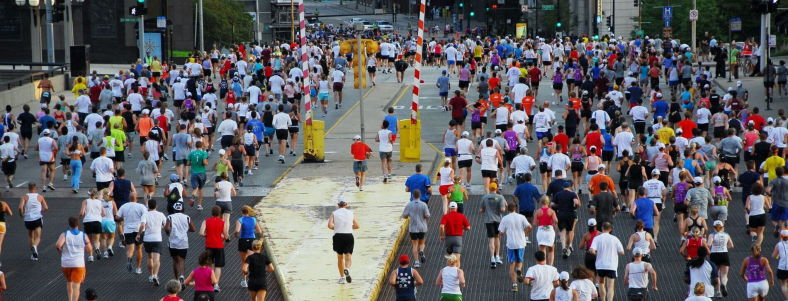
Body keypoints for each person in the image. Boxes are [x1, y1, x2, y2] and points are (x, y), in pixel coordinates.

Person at [56, 216, 92, 301]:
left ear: (69, 224)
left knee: (69, 281)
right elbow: (89, 249)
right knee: (76, 285)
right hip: (78, 263)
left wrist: (60, 252)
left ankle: (70, 299)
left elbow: (58, 245)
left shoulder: (65, 234)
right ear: (78, 224)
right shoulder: (83, 235)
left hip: (66, 263)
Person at [498, 202, 532, 292]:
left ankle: (514, 285)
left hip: (510, 244)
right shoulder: (521, 217)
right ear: (515, 208)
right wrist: (525, 234)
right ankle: (519, 269)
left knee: (511, 264)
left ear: (508, 209)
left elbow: (501, 232)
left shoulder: (505, 218)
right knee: (520, 260)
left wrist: (501, 233)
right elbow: (530, 226)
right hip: (521, 242)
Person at [590, 222, 625, 301]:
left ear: (602, 228)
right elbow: (622, 252)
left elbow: (592, 250)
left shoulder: (597, 238)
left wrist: (597, 254)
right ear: (610, 229)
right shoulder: (615, 239)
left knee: (601, 284)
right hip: (611, 265)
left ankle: (603, 300)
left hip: (600, 265)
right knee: (610, 286)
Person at [328, 198, 359, 284]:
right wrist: (349, 227)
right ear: (346, 204)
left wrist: (336, 228)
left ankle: (342, 278)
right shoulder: (351, 213)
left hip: (338, 236)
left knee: (340, 257)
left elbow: (330, 225)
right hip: (348, 235)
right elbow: (357, 226)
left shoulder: (334, 213)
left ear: (338, 205)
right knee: (348, 256)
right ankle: (347, 269)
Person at [136, 199, 167, 286]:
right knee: (157, 258)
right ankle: (156, 275)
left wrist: (138, 234)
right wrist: (161, 228)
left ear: (148, 206)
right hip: (157, 238)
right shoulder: (161, 214)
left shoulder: (145, 214)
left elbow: (142, 225)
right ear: (156, 206)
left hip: (147, 239)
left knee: (150, 258)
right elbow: (167, 224)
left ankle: (151, 275)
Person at [116, 190, 147, 274]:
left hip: (128, 230)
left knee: (130, 249)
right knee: (139, 249)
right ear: (136, 198)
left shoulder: (124, 206)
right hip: (138, 230)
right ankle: (138, 268)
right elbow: (144, 220)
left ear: (129, 198)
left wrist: (124, 219)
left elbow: (117, 217)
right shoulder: (142, 207)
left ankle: (129, 258)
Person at [200, 206, 228, 292]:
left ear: (211, 212)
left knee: (209, 264)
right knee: (218, 266)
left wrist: (206, 236)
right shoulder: (222, 222)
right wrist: (222, 238)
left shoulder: (206, 221)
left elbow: (201, 233)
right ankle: (216, 284)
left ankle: (211, 281)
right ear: (219, 213)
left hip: (209, 245)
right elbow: (226, 236)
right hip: (219, 245)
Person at [480, 183, 506, 268]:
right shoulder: (500, 197)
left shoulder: (485, 197)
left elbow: (481, 210)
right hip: (498, 220)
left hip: (488, 220)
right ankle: (497, 256)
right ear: (496, 188)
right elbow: (503, 209)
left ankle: (492, 258)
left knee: (491, 239)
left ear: (489, 188)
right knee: (497, 238)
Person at [402, 189, 430, 268]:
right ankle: (421, 250)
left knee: (415, 244)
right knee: (422, 243)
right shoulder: (424, 204)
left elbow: (404, 216)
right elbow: (427, 215)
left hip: (413, 228)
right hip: (422, 227)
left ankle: (416, 261)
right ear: (420, 195)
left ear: (413, 196)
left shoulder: (409, 205)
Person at [234, 205, 261, 287]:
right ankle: (254, 279)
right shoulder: (254, 219)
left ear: (242, 212)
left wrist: (235, 234)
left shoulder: (240, 220)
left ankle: (244, 280)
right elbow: (259, 231)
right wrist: (252, 231)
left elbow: (237, 230)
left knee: (244, 261)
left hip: (243, 241)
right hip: (251, 241)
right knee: (251, 261)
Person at [20, 182, 48, 260]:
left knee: (31, 237)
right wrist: (40, 211)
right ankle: (35, 246)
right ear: (36, 188)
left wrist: (21, 214)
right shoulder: (40, 197)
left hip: (28, 219)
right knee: (38, 237)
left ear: (28, 188)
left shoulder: (24, 197)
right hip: (37, 218)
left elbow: (20, 208)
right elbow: (46, 207)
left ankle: (33, 254)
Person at [553, 181, 580, 258]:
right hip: (570, 214)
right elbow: (577, 202)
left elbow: (552, 204)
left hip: (561, 214)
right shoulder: (572, 194)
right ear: (570, 187)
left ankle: (563, 247)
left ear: (563, 187)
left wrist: (559, 206)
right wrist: (575, 207)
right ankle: (568, 248)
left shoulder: (558, 194)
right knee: (569, 231)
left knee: (562, 231)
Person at [440, 201, 470, 269]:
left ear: (449, 208)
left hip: (448, 238)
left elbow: (442, 226)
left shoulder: (446, 216)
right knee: (457, 259)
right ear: (456, 208)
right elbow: (468, 227)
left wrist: (441, 235)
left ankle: (449, 272)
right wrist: (462, 227)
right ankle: (457, 274)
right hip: (458, 238)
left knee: (449, 258)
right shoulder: (461, 216)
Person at [79, 189, 106, 262]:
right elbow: (104, 213)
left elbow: (82, 212)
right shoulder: (99, 202)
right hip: (97, 221)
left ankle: (91, 256)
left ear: (88, 194)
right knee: (96, 239)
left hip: (88, 221)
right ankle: (97, 249)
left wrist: (79, 216)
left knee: (89, 240)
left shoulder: (85, 201)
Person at [708, 220, 733, 297]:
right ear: (722, 227)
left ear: (714, 227)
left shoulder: (712, 235)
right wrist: (725, 248)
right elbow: (731, 245)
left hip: (714, 254)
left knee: (716, 274)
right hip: (724, 254)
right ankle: (724, 284)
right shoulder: (726, 235)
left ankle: (718, 292)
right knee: (724, 274)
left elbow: (708, 244)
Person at [534, 196, 558, 265]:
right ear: (548, 202)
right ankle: (550, 265)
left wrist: (538, 220)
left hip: (541, 231)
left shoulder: (538, 211)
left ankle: (542, 264)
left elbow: (535, 224)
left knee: (542, 249)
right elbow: (556, 220)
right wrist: (554, 224)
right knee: (551, 249)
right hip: (549, 230)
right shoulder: (551, 211)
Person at [186, 141, 209, 210]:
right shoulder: (204, 153)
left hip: (194, 173)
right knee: (200, 188)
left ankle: (193, 196)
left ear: (195, 146)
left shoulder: (191, 153)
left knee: (195, 188)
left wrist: (193, 164)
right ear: (201, 146)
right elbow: (204, 161)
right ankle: (199, 205)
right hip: (201, 173)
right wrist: (206, 164)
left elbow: (187, 163)